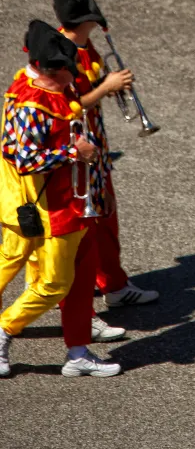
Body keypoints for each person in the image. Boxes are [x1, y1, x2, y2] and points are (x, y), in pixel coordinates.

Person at [0, 21, 121, 378]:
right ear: (49, 70)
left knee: (81, 280)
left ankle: (78, 352)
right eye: (69, 70)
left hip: (75, 206)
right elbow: (22, 159)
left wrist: (96, 190)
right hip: (50, 211)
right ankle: (5, 329)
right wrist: (72, 152)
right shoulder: (31, 106)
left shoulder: (52, 89)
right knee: (52, 284)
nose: (75, 77)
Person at [51, 0, 158, 310]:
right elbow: (65, 106)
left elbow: (89, 87)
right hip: (76, 150)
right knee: (79, 228)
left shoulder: (86, 46)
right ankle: (70, 296)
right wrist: (106, 88)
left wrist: (106, 86)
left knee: (106, 218)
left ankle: (113, 284)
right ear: (86, 20)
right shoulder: (60, 52)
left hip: (95, 144)